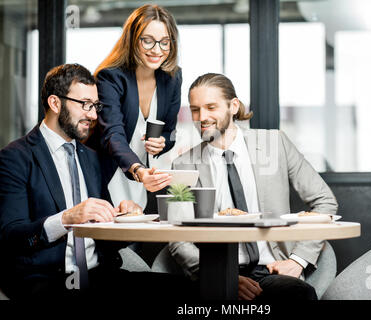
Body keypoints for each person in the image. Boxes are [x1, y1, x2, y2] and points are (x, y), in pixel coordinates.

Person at [0, 64, 192, 300]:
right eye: (85, 105)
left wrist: (124, 218)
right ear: (55, 103)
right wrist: (66, 218)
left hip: (100, 275)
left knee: (191, 290)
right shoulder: (15, 157)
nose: (93, 115)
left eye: (95, 106)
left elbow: (104, 236)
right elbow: (11, 237)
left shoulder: (91, 158)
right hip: (46, 280)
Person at [168, 73, 339, 301]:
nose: (202, 117)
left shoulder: (275, 144)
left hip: (270, 269)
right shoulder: (182, 164)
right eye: (195, 109)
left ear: (233, 106)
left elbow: (324, 202)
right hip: (214, 270)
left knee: (298, 294)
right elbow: (178, 238)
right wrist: (220, 277)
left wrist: (297, 260)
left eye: (211, 107)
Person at [90, 4, 181, 212]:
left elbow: (170, 132)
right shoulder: (110, 77)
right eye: (148, 41)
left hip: (147, 179)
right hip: (112, 172)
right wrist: (138, 170)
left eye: (164, 42)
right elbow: (112, 135)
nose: (157, 50)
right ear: (133, 40)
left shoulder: (172, 79)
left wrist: (162, 143)